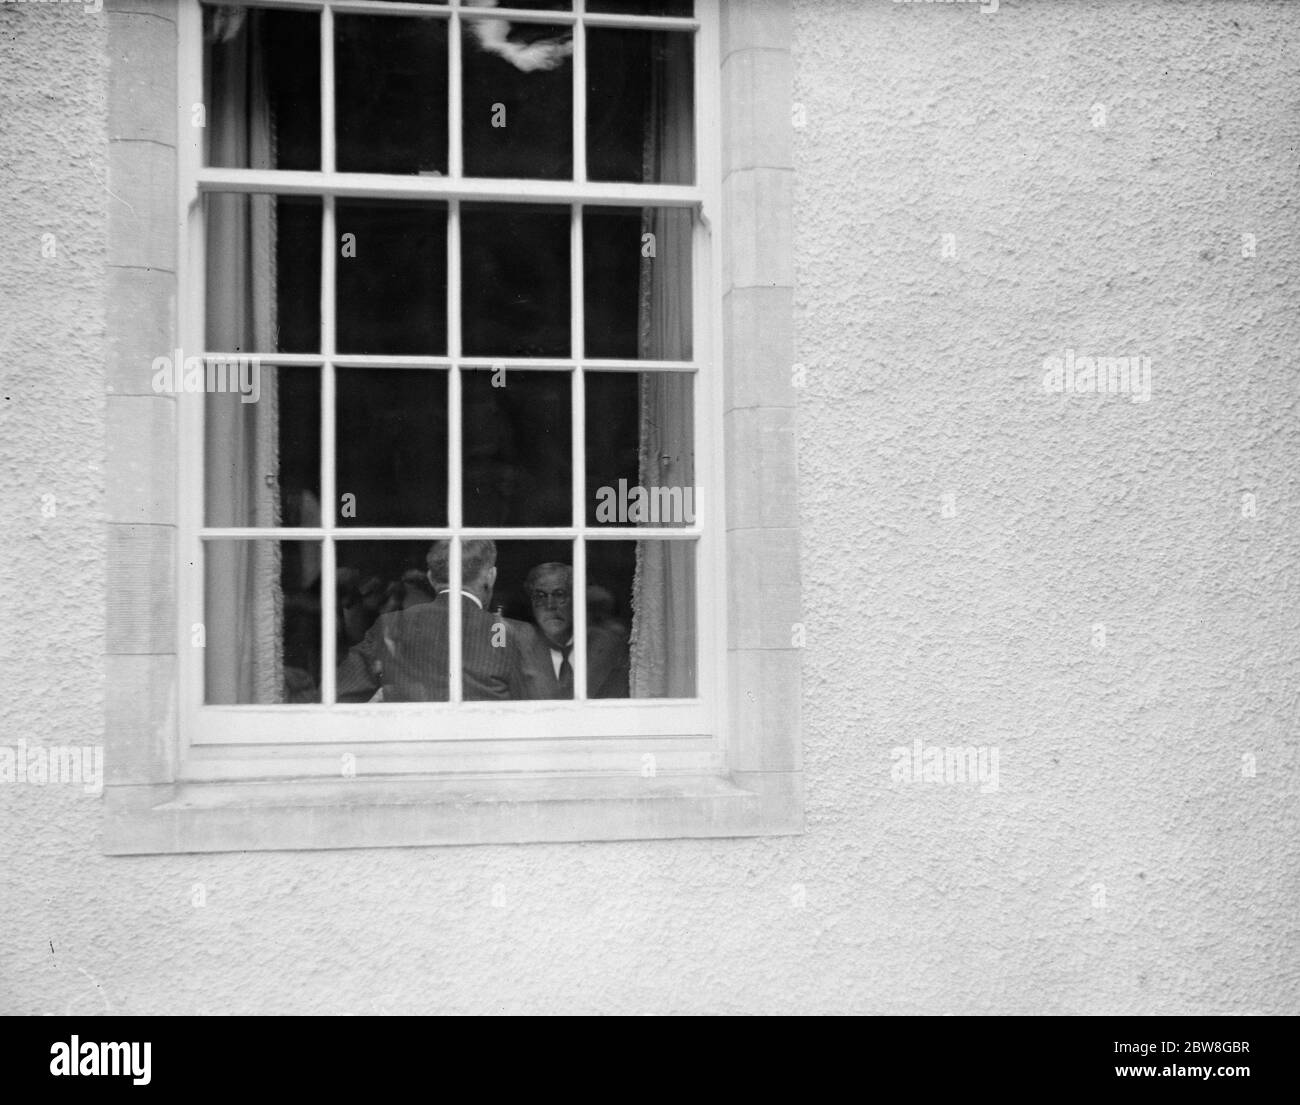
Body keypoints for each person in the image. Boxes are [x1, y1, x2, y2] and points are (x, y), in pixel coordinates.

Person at [336, 539, 511, 702]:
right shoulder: (516, 635)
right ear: (491, 576)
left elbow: (337, 699)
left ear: (430, 578)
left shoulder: (389, 627)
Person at [508, 563, 629, 700]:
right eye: (540, 596)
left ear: (577, 598)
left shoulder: (607, 647)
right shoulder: (516, 650)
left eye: (560, 595)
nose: (550, 605)